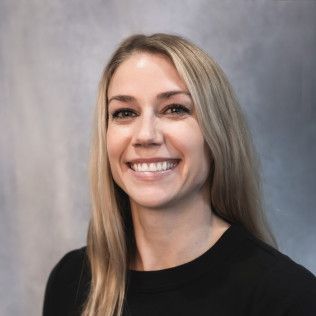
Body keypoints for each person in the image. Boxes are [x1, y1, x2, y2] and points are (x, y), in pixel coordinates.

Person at [43, 33, 316, 316]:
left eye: (175, 109)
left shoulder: (287, 297)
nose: (145, 135)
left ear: (216, 134)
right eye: (125, 113)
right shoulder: (70, 281)